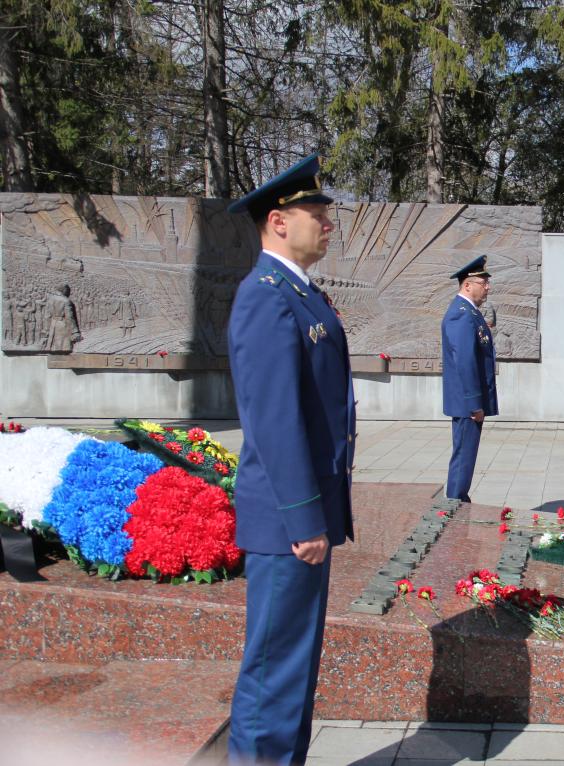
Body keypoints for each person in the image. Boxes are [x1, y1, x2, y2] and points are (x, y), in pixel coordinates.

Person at [225, 153, 356, 765]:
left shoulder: (300, 294)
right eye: (316, 212)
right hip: (286, 522)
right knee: (274, 675)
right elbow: (273, 421)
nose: (328, 223)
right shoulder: (266, 297)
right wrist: (305, 519)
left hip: (303, 517)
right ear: (279, 222)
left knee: (294, 673)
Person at [441, 255, 498, 503]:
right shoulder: (461, 314)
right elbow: (464, 361)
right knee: (464, 454)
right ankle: (454, 504)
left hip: (469, 401)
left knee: (466, 454)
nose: (488, 286)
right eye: (483, 281)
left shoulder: (469, 313)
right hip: (467, 403)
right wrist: (475, 403)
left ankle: (458, 500)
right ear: (467, 285)